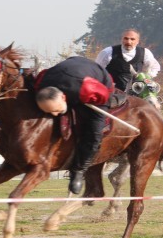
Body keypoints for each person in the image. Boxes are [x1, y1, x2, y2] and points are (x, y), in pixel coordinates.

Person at [34, 56, 114, 194]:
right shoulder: (41, 82)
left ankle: (79, 170)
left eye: (55, 110)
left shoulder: (87, 89)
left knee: (95, 133)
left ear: (64, 98)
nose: (54, 115)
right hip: (67, 70)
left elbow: (104, 95)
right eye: (49, 111)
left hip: (99, 83)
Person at [95, 28, 161, 93]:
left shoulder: (145, 53)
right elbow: (97, 70)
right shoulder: (108, 52)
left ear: (137, 41)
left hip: (136, 92)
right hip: (111, 92)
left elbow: (155, 67)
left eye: (132, 39)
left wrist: (147, 77)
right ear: (122, 39)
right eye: (126, 38)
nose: (128, 42)